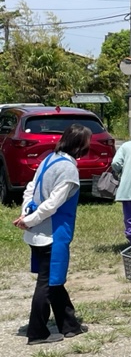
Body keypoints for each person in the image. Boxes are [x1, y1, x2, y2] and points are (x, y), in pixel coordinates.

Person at [13, 124, 92, 345]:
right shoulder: (69, 169)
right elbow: (53, 204)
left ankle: (70, 325)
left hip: (37, 231)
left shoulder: (50, 158)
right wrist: (28, 220)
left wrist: (25, 215)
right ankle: (37, 333)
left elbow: (30, 188)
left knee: (53, 280)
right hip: (52, 233)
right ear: (79, 146)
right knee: (47, 284)